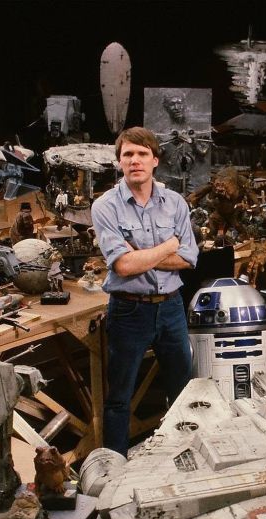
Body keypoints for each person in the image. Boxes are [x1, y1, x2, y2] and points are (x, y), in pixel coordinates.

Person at [91, 126, 199, 456]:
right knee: (119, 399)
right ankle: (114, 469)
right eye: (128, 155)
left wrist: (140, 254)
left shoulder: (175, 203)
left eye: (142, 154)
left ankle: (182, 456)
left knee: (183, 391)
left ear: (155, 160)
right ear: (119, 163)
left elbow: (190, 258)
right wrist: (168, 245)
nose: (135, 160)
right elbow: (122, 267)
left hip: (171, 308)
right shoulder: (105, 207)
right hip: (128, 311)